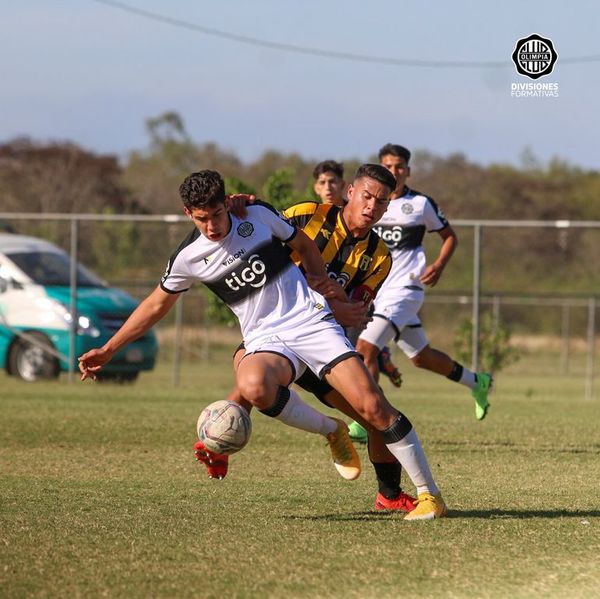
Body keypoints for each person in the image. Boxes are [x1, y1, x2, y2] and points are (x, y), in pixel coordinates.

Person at [200, 164, 446, 518]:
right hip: (277, 334)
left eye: (381, 202)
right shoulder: (305, 215)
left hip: (322, 347)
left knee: (375, 414)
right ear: (350, 191)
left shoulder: (379, 257)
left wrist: (343, 307)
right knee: (251, 380)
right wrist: (242, 204)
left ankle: (389, 493)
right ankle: (219, 441)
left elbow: (352, 313)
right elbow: (253, 229)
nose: (371, 207)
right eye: (366, 196)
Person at [348, 144, 493, 446]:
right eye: (388, 165)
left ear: (408, 170)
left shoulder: (421, 204)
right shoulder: (372, 205)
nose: (394, 171)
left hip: (406, 289)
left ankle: (365, 418)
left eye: (400, 166)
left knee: (365, 348)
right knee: (421, 358)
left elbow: (449, 236)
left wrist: (439, 265)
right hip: (379, 292)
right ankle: (477, 382)